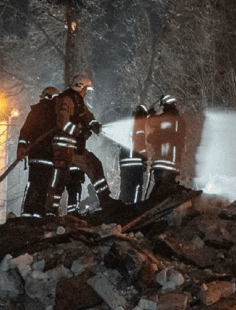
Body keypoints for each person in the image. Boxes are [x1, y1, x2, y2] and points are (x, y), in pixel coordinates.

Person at [45, 74, 123, 215]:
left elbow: (87, 116)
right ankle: (50, 212)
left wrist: (94, 125)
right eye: (86, 89)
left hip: (74, 148)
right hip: (63, 147)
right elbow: (62, 123)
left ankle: (105, 200)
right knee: (60, 180)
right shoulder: (66, 99)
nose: (86, 92)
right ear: (79, 86)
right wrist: (78, 132)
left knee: (94, 165)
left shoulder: (78, 101)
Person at [17, 86, 60, 219]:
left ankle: (28, 213)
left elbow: (25, 132)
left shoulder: (35, 112)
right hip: (47, 156)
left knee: (33, 184)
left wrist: (22, 148)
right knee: (44, 186)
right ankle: (38, 214)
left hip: (35, 156)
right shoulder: (55, 113)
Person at [146, 94, 187, 201]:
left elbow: (153, 123)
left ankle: (152, 208)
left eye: (163, 107)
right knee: (166, 188)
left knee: (160, 190)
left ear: (165, 105)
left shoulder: (167, 119)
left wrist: (150, 115)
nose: (162, 109)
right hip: (174, 163)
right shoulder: (179, 121)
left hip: (163, 162)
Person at [119, 104, 151, 204]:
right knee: (137, 187)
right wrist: (144, 160)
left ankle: (122, 211)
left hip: (124, 164)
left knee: (125, 189)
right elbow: (140, 144)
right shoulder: (139, 124)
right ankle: (135, 210)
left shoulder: (126, 124)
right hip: (135, 163)